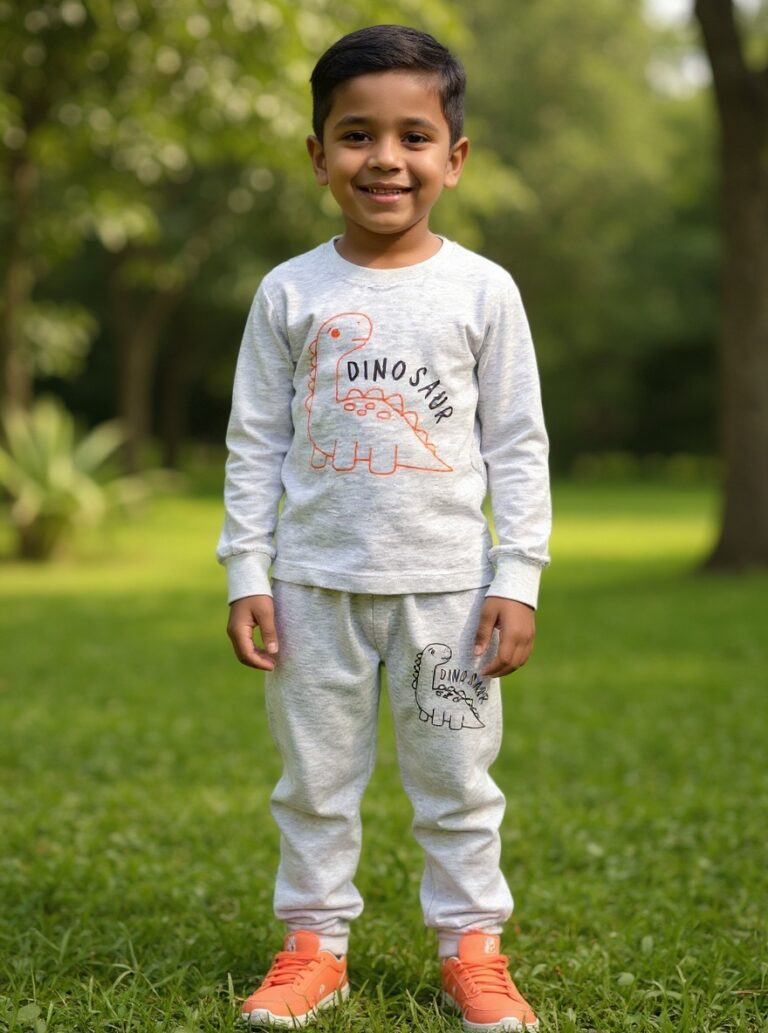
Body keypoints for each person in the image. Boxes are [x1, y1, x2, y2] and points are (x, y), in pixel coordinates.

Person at [216, 23, 551, 1032]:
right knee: (315, 783)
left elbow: (518, 445)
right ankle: (313, 947)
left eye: (414, 136)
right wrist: (246, 570)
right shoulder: (290, 291)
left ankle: (473, 949)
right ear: (318, 155)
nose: (385, 159)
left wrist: (518, 577)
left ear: (456, 156)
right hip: (313, 588)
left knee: (457, 780)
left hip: (448, 593)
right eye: (357, 135)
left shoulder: (484, 290)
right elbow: (255, 441)